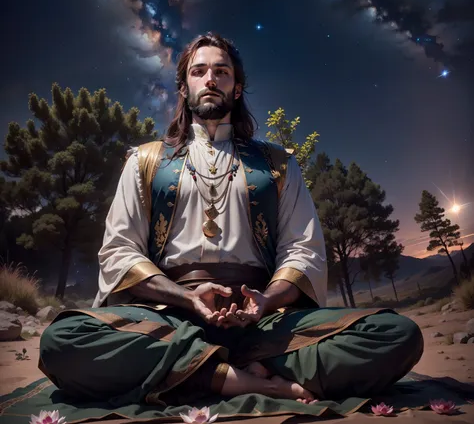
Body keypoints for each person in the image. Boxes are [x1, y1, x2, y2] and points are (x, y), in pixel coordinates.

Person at [39, 32, 423, 414]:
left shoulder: (277, 163)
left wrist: (265, 301)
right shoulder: (145, 161)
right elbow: (120, 249)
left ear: (237, 88)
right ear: (184, 86)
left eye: (221, 72)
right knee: (62, 340)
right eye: (199, 71)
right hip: (169, 319)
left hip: (262, 324)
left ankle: (208, 370)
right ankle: (234, 377)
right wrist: (186, 297)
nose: (210, 79)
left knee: (397, 335)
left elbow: (302, 248)